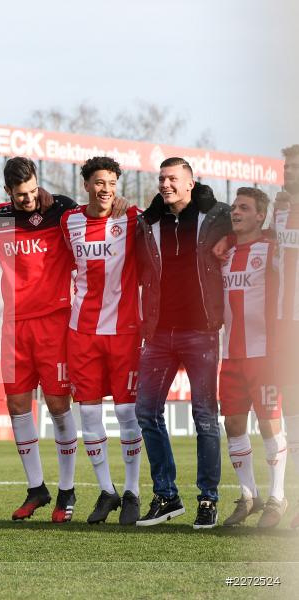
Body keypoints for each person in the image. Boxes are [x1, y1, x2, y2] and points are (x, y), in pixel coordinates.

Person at [134, 157, 231, 529]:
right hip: (158, 333)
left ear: (190, 183)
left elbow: (256, 226)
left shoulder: (217, 216)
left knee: (205, 417)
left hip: (202, 331)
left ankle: (208, 499)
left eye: (172, 178)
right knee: (146, 412)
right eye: (161, 178)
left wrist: (233, 237)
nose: (165, 184)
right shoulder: (148, 221)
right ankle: (167, 496)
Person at [0, 157, 81, 523]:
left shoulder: (63, 210)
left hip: (53, 322)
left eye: (30, 192)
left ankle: (67, 491)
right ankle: (36, 489)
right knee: (16, 406)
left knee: (58, 406)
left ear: (37, 182)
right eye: (19, 195)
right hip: (13, 325)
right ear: (8, 192)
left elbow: (97, 219)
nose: (27, 200)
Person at [59, 157, 143, 525]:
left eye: (111, 182)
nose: (105, 188)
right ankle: (107, 491)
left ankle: (132, 492)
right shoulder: (69, 221)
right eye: (98, 182)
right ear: (86, 185)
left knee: (127, 414)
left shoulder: (132, 217)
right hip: (81, 333)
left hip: (125, 331)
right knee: (89, 416)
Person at [216, 188, 287, 528]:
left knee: (269, 424)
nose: (236, 211)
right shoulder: (224, 253)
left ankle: (277, 497)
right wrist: (228, 239)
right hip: (230, 355)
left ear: (261, 215)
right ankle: (248, 495)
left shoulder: (272, 249)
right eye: (234, 207)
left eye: (244, 208)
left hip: (265, 354)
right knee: (232, 424)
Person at [271, 145, 299, 529]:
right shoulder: (279, 211)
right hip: (285, 331)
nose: (289, 171)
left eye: (295, 167)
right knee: (292, 421)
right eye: (286, 166)